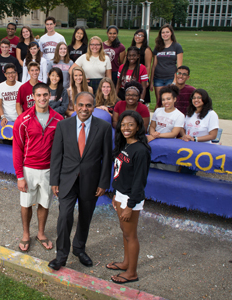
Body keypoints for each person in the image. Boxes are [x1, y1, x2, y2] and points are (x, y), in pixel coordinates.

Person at [48, 91, 112, 271]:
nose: (84, 109)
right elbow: (56, 155)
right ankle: (61, 256)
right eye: (81, 105)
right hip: (67, 180)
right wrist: (54, 180)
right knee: (64, 217)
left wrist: (103, 183)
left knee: (85, 217)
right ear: (75, 106)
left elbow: (107, 158)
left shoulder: (104, 128)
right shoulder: (63, 125)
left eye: (88, 105)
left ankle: (79, 248)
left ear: (93, 107)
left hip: (91, 181)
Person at [13, 82, 64, 252]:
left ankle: (41, 233)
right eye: (39, 95)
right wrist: (20, 176)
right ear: (33, 97)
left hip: (49, 170)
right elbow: (17, 149)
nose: (42, 98)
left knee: (45, 203)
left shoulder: (59, 119)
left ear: (50, 96)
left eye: (45, 95)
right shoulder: (23, 120)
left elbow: (61, 150)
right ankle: (26, 234)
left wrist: (58, 175)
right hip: (29, 169)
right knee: (26, 204)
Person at [109, 110, 151, 284]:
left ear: (139, 127)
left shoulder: (140, 151)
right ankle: (126, 263)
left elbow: (139, 181)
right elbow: (120, 172)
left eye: (131, 125)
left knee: (130, 235)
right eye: (123, 124)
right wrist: (115, 194)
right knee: (125, 232)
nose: (126, 128)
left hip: (130, 198)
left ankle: (132, 272)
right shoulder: (125, 144)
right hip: (121, 194)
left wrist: (130, 205)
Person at [151, 24, 183, 105]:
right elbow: (154, 66)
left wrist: (175, 80)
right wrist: (151, 81)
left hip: (171, 78)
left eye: (167, 32)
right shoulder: (158, 47)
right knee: (160, 102)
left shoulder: (177, 46)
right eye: (163, 32)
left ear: (171, 33)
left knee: (168, 102)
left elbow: (179, 67)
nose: (165, 34)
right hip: (158, 79)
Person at [131, 29, 152, 105]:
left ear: (144, 38)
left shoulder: (146, 50)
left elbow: (147, 65)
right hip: (131, 76)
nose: (138, 37)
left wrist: (146, 80)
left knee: (141, 97)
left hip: (141, 77)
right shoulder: (131, 48)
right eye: (136, 34)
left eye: (141, 35)